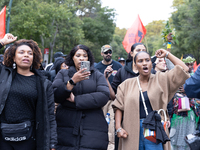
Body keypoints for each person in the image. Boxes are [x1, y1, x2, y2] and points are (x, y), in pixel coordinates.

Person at [112, 49, 190, 150]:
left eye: (147, 60)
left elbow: (184, 69)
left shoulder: (161, 79)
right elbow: (118, 106)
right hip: (131, 130)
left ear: (151, 63)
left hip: (154, 129)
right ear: (135, 65)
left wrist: (167, 54)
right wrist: (118, 128)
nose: (144, 63)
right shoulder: (126, 84)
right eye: (140, 61)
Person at [0, 39, 57, 150]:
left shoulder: (44, 83)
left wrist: (52, 143)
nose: (26, 55)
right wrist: (2, 43)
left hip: (29, 139)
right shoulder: (3, 75)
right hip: (3, 139)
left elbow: (49, 115)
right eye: (21, 52)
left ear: (33, 58)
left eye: (30, 53)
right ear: (13, 57)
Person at [52, 44, 110, 150]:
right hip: (66, 125)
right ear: (72, 58)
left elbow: (104, 95)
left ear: (88, 58)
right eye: (78, 55)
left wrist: (76, 100)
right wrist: (72, 81)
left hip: (93, 126)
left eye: (85, 55)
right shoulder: (63, 73)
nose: (81, 58)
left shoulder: (97, 75)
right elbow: (55, 95)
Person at [95, 44, 122, 150]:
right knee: (100, 124)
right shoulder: (97, 67)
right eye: (106, 52)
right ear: (102, 53)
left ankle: (111, 147)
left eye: (110, 52)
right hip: (101, 100)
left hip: (113, 100)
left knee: (111, 125)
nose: (108, 54)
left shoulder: (118, 66)